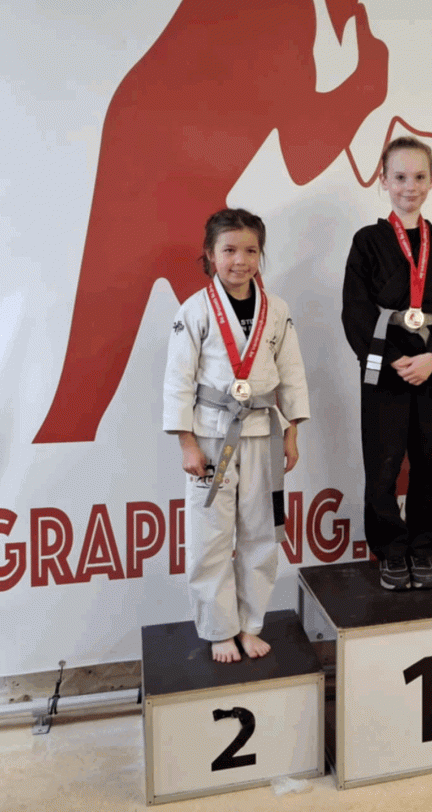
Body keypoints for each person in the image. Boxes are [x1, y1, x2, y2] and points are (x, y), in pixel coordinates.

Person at [163, 209, 310, 663]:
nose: (240, 260)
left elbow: (291, 373)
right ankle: (218, 628)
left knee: (261, 533)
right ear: (210, 254)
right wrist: (186, 441)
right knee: (210, 535)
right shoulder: (194, 310)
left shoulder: (277, 310)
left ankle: (250, 624)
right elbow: (177, 380)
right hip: (211, 434)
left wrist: (292, 433)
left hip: (264, 431)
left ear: (260, 255)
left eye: (250, 250)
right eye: (229, 250)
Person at [342, 136, 432, 590]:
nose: (409, 186)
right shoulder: (368, 241)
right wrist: (396, 360)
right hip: (386, 370)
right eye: (399, 177)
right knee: (383, 463)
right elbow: (356, 309)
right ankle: (391, 551)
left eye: (419, 177)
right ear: (383, 180)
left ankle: (421, 549)